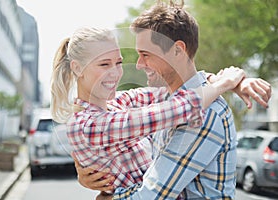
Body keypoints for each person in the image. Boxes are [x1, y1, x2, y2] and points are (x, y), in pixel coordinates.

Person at [73, 1, 272, 199]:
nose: (139, 65)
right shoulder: (166, 102)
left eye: (145, 55)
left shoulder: (204, 113)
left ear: (177, 50)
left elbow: (151, 196)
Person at [50, 27, 247, 194]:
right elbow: (174, 109)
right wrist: (225, 84)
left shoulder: (117, 103)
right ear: (77, 68)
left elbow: (172, 91)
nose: (116, 73)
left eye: (118, 62)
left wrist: (226, 81)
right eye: (104, 64)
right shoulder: (86, 126)